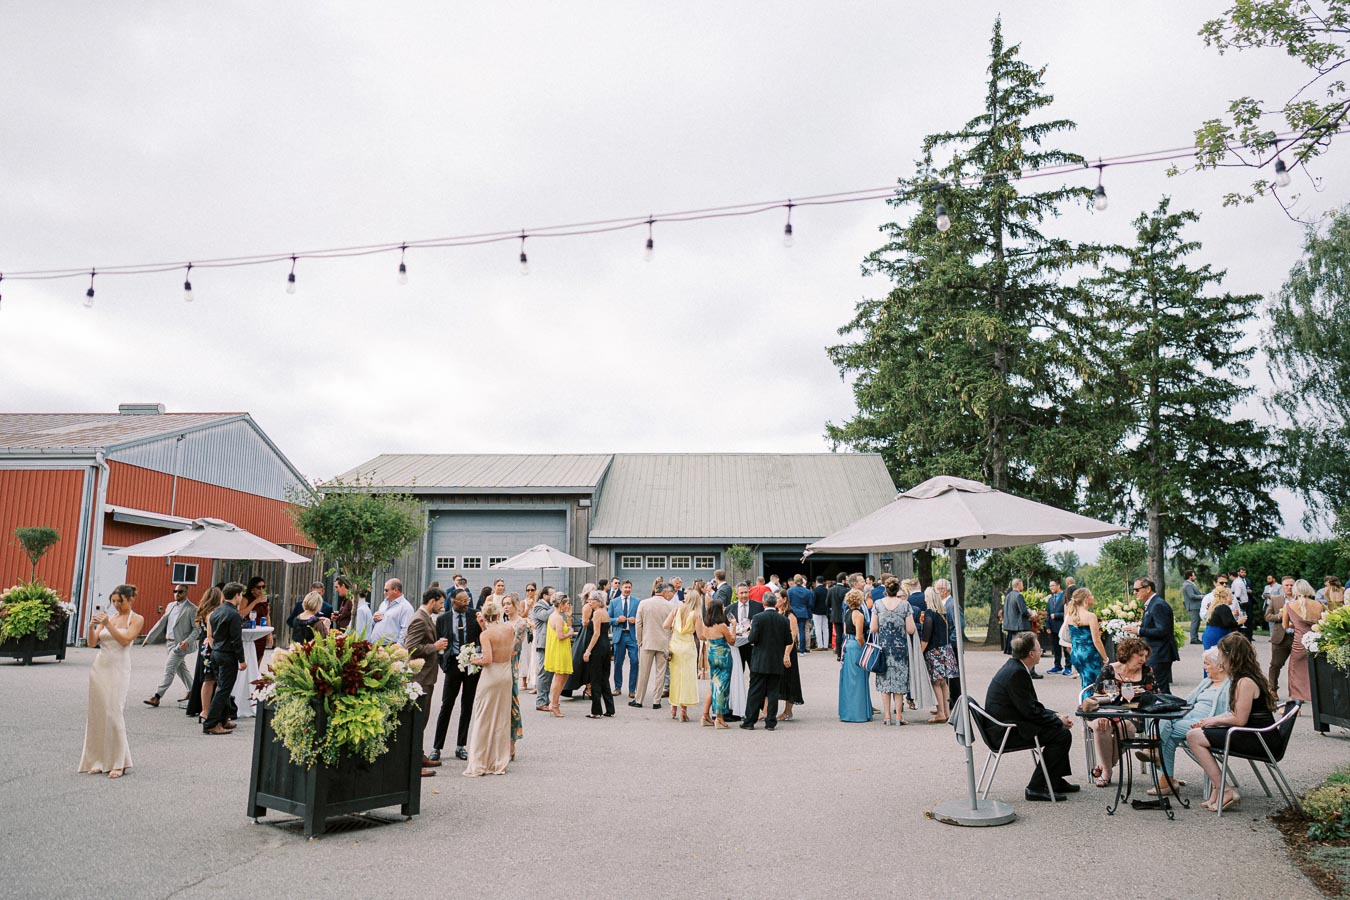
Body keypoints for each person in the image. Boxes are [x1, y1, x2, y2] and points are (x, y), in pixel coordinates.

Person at [1186, 632, 1287, 811]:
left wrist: (1213, 722)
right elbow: (1236, 714)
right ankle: (1218, 789)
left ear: (1231, 656)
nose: (1220, 659)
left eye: (1222, 655)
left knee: (1194, 737)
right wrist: (1209, 721)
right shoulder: (1247, 676)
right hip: (1255, 734)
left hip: (1259, 739)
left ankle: (1224, 789)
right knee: (1196, 734)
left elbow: (1239, 719)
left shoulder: (1245, 682)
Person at [984, 632, 1079, 802]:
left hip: (1007, 724)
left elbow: (1029, 707)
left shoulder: (1015, 667)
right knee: (1061, 735)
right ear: (1031, 654)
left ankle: (1053, 780)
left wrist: (1054, 715)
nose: (1041, 650)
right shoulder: (1016, 673)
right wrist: (1057, 720)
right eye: (1039, 648)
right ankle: (1036, 787)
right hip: (1006, 732)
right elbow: (1029, 712)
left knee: (1058, 730)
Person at [1145, 647, 1230, 796]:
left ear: (1220, 666)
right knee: (1165, 723)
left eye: (1207, 664)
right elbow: (1187, 701)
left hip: (1206, 723)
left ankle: (1154, 752)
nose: (1204, 667)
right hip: (1188, 717)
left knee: (1167, 726)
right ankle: (1165, 775)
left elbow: (1229, 712)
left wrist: (1209, 722)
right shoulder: (1207, 682)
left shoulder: (1230, 685)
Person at [79, 584, 144, 778]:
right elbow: (92, 643)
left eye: (120, 601)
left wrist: (108, 625)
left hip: (119, 667)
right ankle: (98, 759)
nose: (116, 605)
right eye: (113, 601)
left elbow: (125, 640)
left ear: (130, 599)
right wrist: (92, 626)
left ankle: (119, 761)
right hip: (100, 666)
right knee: (98, 713)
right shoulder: (110, 617)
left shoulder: (136, 619)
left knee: (114, 712)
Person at [1088, 636, 1156, 787]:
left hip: (1134, 714)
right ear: (1128, 654)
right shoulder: (1111, 670)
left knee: (1124, 727)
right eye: (1140, 655)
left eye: (1145, 656)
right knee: (1101, 724)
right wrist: (1108, 710)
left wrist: (1142, 693)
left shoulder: (1145, 671)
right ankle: (1107, 770)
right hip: (1109, 710)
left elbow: (1155, 696)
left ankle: (1105, 767)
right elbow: (1100, 695)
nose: (1143, 660)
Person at [463, 599, 515, 776]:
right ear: (499, 615)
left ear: (484, 617)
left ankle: (479, 762)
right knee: (501, 718)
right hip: (506, 675)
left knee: (483, 717)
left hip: (491, 677)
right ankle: (498, 761)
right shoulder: (509, 629)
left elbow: (487, 659)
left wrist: (471, 659)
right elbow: (511, 651)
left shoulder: (486, 635)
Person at [432, 588, 482, 762]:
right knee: (446, 705)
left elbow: (482, 637)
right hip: (453, 664)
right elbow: (438, 642)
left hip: (471, 666)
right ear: (453, 602)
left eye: (468, 600)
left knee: (467, 705)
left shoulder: (475, 615)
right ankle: (437, 747)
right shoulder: (443, 619)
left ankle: (461, 746)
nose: (466, 603)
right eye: (463, 601)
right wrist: (443, 664)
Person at [406, 587, 449, 777]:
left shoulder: (425, 617)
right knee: (418, 721)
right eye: (440, 603)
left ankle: (419, 755)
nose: (442, 606)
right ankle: (413, 764)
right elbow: (411, 648)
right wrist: (435, 646)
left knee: (423, 720)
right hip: (420, 677)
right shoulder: (418, 619)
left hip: (426, 677)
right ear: (432, 601)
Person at [740, 589, 793, 731]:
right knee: (773, 692)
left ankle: (749, 721)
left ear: (763, 603)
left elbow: (752, 639)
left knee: (755, 690)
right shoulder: (783, 619)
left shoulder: (758, 618)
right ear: (775, 603)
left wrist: (750, 631)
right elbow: (788, 639)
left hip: (760, 660)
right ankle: (770, 722)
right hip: (776, 660)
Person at [202, 582, 247, 736]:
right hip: (227, 654)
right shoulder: (234, 614)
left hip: (216, 652)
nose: (241, 597)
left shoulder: (216, 612)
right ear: (236, 595)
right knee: (223, 689)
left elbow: (212, 635)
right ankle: (211, 723)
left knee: (222, 687)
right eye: (241, 594)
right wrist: (242, 660)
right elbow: (236, 639)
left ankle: (223, 719)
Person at [143, 584, 197, 708]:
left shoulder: (192, 609)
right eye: (175, 591)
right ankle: (193, 691)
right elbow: (161, 622)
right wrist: (149, 638)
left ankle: (157, 696)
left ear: (186, 593)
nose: (177, 594)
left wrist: (186, 642)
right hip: (169, 643)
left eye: (180, 592)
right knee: (181, 669)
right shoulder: (170, 606)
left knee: (169, 669)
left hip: (180, 645)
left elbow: (196, 630)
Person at [871, 580, 913, 725]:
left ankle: (887, 716)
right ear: (898, 590)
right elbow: (911, 629)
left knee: (884, 682)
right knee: (899, 683)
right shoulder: (905, 605)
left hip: (883, 648)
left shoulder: (877, 604)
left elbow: (873, 628)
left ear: (885, 590)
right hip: (900, 649)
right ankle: (899, 716)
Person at [1129, 578, 1178, 694]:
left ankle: (1167, 709)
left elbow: (1162, 630)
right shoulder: (1152, 603)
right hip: (1156, 652)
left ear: (1148, 589)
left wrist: (1139, 630)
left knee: (1160, 688)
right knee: (1156, 687)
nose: (1134, 593)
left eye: (1137, 589)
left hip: (1160, 653)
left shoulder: (1158, 605)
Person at [633, 584, 675, 709]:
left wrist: (639, 640)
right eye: (670, 593)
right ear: (665, 592)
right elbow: (673, 627)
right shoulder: (671, 606)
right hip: (663, 643)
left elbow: (638, 624)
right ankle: (656, 701)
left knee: (643, 673)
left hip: (647, 641)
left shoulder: (644, 603)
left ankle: (639, 699)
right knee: (660, 673)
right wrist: (670, 643)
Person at [185, 587, 223, 722]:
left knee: (208, 679)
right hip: (211, 647)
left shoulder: (203, 612)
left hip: (204, 646)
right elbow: (211, 634)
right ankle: (206, 710)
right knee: (211, 679)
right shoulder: (212, 613)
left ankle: (205, 710)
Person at [664, 584, 701, 721]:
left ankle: (673, 707)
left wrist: (675, 626)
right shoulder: (696, 614)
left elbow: (665, 625)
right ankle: (683, 710)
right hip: (688, 647)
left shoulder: (676, 610)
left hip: (675, 645)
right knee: (687, 678)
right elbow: (701, 635)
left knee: (675, 677)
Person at [698, 598, 736, 728]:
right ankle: (719, 718)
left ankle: (705, 715)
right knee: (722, 686)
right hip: (723, 656)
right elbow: (732, 641)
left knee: (713, 684)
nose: (724, 609)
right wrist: (734, 626)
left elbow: (703, 637)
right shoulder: (722, 626)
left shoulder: (706, 624)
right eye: (723, 607)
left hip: (711, 655)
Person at [1285, 578, 1324, 703]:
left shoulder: (1289, 605)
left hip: (1299, 644)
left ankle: (1295, 702)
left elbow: (1285, 626)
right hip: (1316, 643)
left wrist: (1296, 624)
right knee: (1316, 671)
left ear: (1295, 591)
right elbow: (1324, 623)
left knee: (1295, 673)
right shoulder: (1319, 605)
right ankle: (1317, 700)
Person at [837, 590, 873, 723]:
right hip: (856, 647)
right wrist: (863, 647)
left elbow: (846, 631)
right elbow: (859, 636)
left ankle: (848, 711)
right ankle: (859, 713)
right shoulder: (859, 615)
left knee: (848, 679)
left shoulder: (847, 613)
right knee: (858, 679)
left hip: (847, 645)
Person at [501, 593, 530, 758]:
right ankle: (502, 741)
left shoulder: (520, 623)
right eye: (504, 604)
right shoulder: (504, 622)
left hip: (511, 664)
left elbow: (515, 648)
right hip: (500, 663)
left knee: (512, 702)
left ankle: (512, 742)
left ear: (515, 605)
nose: (505, 607)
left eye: (508, 604)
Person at [920, 594, 957, 724]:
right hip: (945, 650)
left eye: (926, 596)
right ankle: (947, 712)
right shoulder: (943, 614)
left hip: (934, 652)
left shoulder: (930, 614)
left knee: (936, 682)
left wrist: (920, 651)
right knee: (944, 683)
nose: (924, 599)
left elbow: (926, 636)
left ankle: (940, 712)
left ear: (930, 598)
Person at [582, 589, 615, 718]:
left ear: (598, 601)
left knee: (595, 678)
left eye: (591, 600)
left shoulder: (597, 613)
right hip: (606, 645)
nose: (590, 602)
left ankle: (596, 710)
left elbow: (596, 634)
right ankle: (610, 708)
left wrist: (588, 650)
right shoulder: (605, 612)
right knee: (604, 678)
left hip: (598, 647)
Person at [1066, 588, 1107, 690]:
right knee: (1093, 685)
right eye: (1091, 595)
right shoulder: (1090, 616)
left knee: (1085, 682)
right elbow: (1096, 640)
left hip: (1075, 653)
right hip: (1088, 654)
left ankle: (1084, 704)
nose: (1093, 597)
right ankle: (1088, 704)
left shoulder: (1071, 615)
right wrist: (1106, 658)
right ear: (1085, 599)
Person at [608, 579, 640, 699]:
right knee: (618, 663)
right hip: (619, 636)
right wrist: (616, 620)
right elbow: (608, 618)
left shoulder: (637, 601)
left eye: (629, 588)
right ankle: (617, 688)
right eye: (625, 587)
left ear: (631, 589)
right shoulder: (614, 602)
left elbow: (642, 618)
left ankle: (632, 689)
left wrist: (635, 620)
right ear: (621, 588)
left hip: (632, 636)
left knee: (635, 662)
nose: (627, 590)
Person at [776, 593, 805, 721]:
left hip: (788, 650)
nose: (776, 600)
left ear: (784, 599)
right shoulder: (777, 612)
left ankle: (788, 711)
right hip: (777, 649)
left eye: (778, 598)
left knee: (789, 679)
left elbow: (793, 636)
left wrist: (786, 654)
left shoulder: (790, 615)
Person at [544, 594, 573, 716]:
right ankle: (554, 704)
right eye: (566, 603)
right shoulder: (557, 618)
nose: (568, 605)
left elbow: (567, 628)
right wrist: (570, 633)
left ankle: (554, 702)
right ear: (561, 604)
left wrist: (569, 617)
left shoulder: (558, 616)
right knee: (559, 677)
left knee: (564, 675)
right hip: (559, 649)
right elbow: (560, 636)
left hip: (561, 649)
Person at [1266, 576, 1294, 698]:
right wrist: (1279, 616)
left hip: (1297, 637)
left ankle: (1296, 693)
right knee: (1275, 664)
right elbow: (1267, 616)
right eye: (1286, 585)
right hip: (1280, 637)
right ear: (1282, 587)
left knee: (1297, 667)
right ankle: (1272, 689)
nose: (1289, 587)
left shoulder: (1301, 600)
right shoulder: (1276, 600)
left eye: (1291, 585)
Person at [531, 586, 556, 710]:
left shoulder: (550, 607)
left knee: (549, 672)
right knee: (543, 672)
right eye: (552, 595)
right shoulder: (538, 606)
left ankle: (545, 699)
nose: (554, 597)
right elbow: (545, 616)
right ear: (544, 596)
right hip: (543, 643)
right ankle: (540, 701)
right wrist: (556, 606)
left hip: (551, 643)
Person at [369, 578, 413, 645]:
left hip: (389, 647)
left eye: (386, 590)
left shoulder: (406, 607)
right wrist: (374, 620)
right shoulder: (384, 603)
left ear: (395, 590)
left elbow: (405, 630)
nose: (384, 593)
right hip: (375, 645)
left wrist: (397, 648)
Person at [1044, 580, 1069, 673]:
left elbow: (1068, 613)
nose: (1051, 588)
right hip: (1053, 628)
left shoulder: (1064, 597)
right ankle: (1057, 665)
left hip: (1063, 626)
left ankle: (1068, 667)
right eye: (1050, 586)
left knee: (1066, 648)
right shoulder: (1050, 599)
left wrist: (1057, 615)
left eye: (1053, 585)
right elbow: (1048, 613)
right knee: (1056, 648)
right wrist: (1047, 626)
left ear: (1058, 585)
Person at [1002, 579, 1030, 657]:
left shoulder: (1008, 596)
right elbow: (1023, 611)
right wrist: (1030, 614)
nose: (1023, 586)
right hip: (1020, 626)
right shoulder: (1018, 595)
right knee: (1024, 647)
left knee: (1015, 649)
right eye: (1022, 584)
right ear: (1018, 585)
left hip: (1011, 626)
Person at [786, 575, 814, 651]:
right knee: (802, 631)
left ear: (794, 581)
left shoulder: (790, 591)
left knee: (792, 630)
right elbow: (811, 604)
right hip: (803, 612)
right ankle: (802, 649)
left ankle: (792, 648)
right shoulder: (808, 591)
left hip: (793, 612)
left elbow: (788, 602)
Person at [827, 571, 849, 660]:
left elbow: (827, 603)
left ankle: (839, 654)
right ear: (843, 580)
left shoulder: (831, 590)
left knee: (838, 635)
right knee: (846, 634)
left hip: (835, 615)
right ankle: (845, 653)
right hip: (845, 615)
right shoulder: (846, 590)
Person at [1181, 570, 1204, 645]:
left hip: (1195, 606)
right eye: (1194, 575)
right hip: (1193, 606)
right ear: (1190, 577)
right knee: (1195, 622)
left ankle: (1195, 638)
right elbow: (1191, 596)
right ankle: (1194, 639)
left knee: (1196, 622)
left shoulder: (1190, 584)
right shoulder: (1188, 585)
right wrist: (1201, 596)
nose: (1195, 577)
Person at [811, 575, 829, 651]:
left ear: (816, 581)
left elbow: (813, 601)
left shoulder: (815, 590)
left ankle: (820, 645)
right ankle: (826, 645)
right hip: (825, 611)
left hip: (816, 611)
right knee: (825, 628)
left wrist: (812, 609)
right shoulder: (826, 590)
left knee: (818, 628)